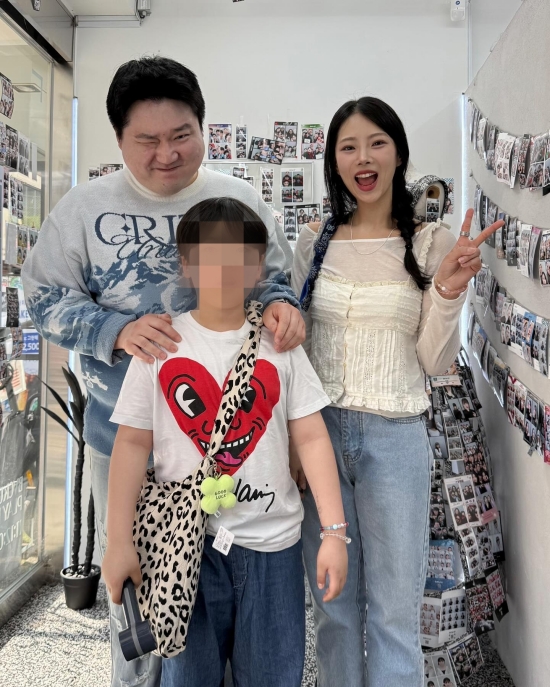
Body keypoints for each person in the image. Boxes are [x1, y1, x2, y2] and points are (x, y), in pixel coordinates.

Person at [21, 57, 305, 687]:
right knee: (137, 593)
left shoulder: (239, 198)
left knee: (220, 594)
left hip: (228, 445)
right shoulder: (83, 209)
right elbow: (40, 297)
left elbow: (276, 279)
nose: (167, 154)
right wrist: (113, 331)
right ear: (118, 139)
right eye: (146, 140)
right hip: (124, 438)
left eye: (182, 135)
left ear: (202, 126)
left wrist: (283, 306)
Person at [290, 96, 502, 687]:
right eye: (349, 147)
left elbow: (434, 360)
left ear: (399, 153)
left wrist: (448, 291)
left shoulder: (431, 243)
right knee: (332, 611)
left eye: (376, 143)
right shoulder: (313, 242)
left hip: (396, 440)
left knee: (394, 616)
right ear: (334, 161)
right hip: (318, 438)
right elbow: (294, 351)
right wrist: (290, 437)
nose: (363, 158)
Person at [102, 198, 348, 687]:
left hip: (274, 548)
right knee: (189, 676)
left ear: (258, 266)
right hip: (185, 548)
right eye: (210, 255)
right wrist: (117, 542)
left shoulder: (280, 345)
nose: (225, 268)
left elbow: (312, 436)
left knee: (274, 675)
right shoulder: (160, 346)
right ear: (187, 264)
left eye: (240, 256)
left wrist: (334, 534)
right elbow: (129, 444)